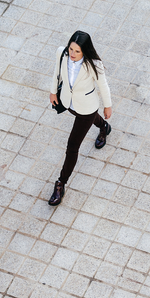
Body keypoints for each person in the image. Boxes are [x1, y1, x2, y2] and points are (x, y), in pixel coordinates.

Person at [48, 31, 112, 206]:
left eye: (77, 51)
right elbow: (56, 73)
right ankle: (104, 127)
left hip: (87, 107)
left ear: (85, 51)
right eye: (71, 49)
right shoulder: (62, 54)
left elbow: (103, 86)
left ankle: (61, 183)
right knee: (90, 120)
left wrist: (108, 105)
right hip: (69, 103)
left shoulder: (94, 64)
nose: (73, 54)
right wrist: (53, 91)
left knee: (72, 146)